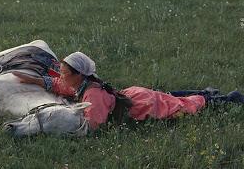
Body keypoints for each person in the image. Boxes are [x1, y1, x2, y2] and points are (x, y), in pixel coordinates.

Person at [13, 52, 244, 131]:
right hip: (134, 94)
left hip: (141, 105)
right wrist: (32, 79)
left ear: (78, 74)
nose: (61, 76)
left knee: (182, 105)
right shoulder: (82, 84)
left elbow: (93, 126)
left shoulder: (92, 96)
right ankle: (207, 94)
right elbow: (58, 85)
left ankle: (227, 99)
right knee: (172, 97)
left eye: (64, 72)